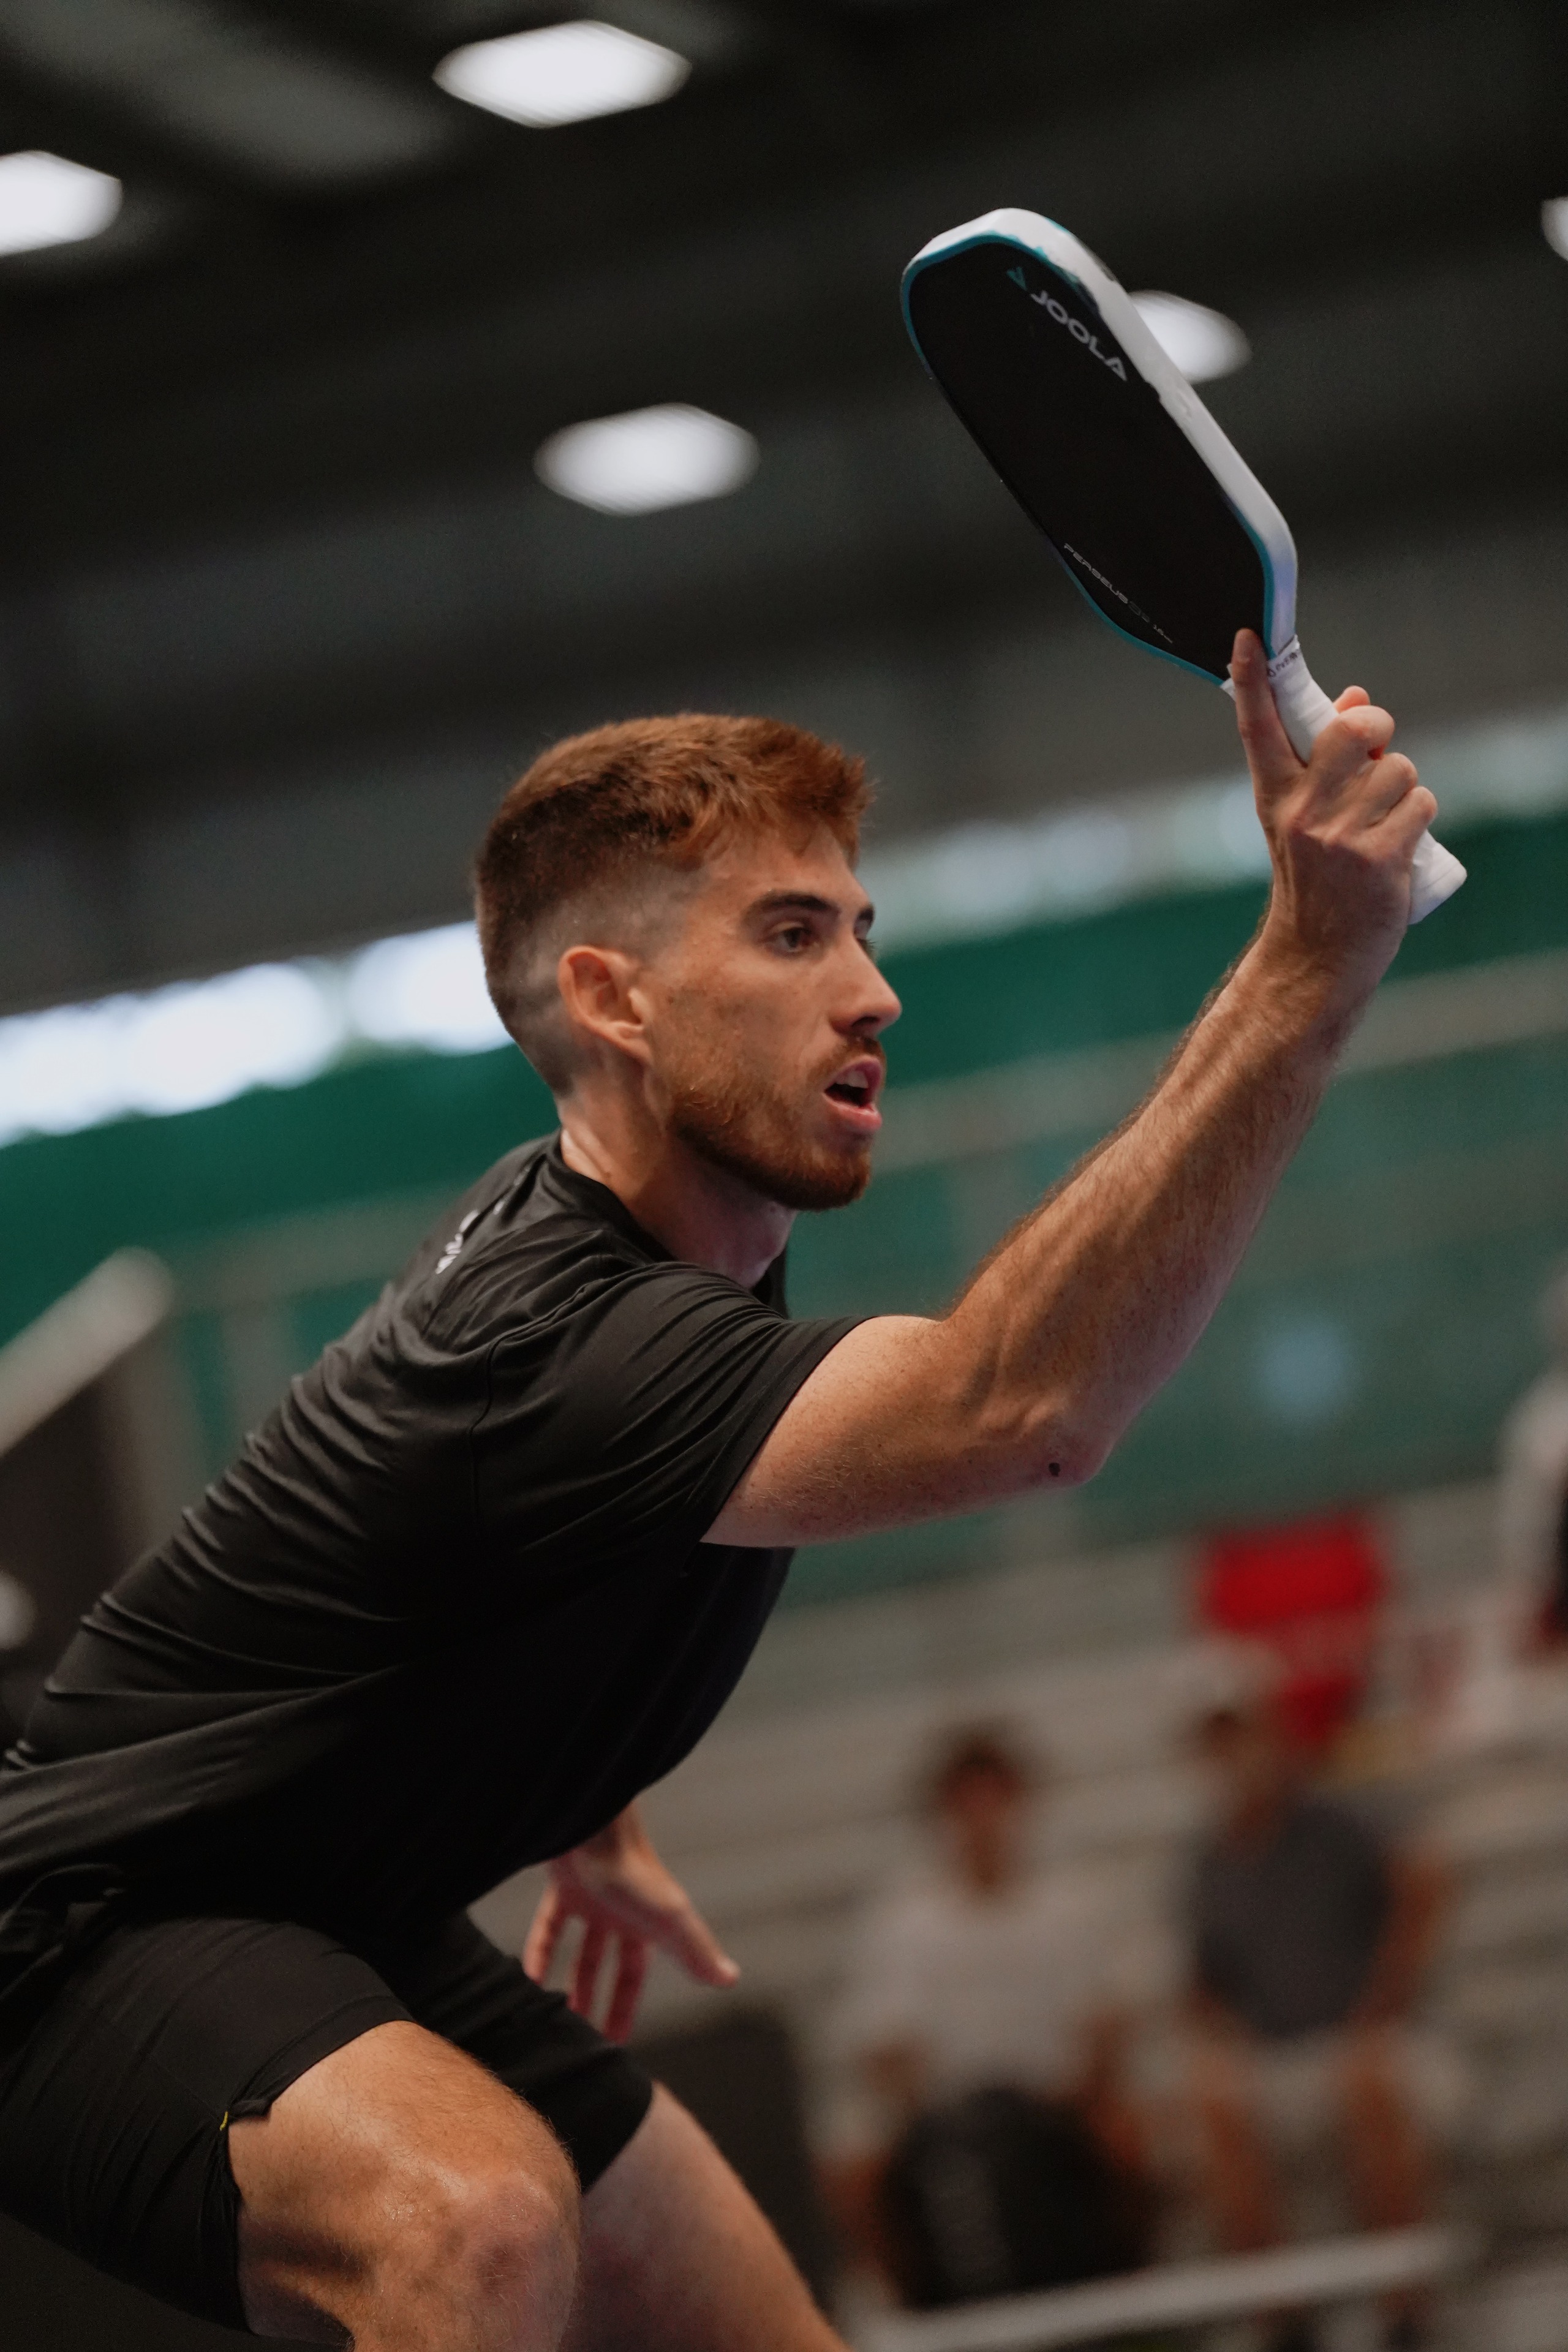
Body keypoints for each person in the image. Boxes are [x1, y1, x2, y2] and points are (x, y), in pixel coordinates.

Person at [0, 631, 1435, 2351]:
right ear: (614, 1001)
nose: (872, 990)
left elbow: (463, 1554)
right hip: (84, 1927)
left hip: (337, 1906)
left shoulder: (649, 1237)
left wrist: (580, 1793)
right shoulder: (559, 1336)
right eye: (792, 933)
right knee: (469, 2221)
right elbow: (1022, 1407)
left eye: (860, 928)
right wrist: (1305, 963)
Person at [831, 1728, 1153, 2306]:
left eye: (995, 1799)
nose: (982, 1819)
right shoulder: (904, 1924)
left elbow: (1108, 2022)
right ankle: (924, 2312)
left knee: (1131, 2144)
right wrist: (931, 2117)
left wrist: (1075, 2097)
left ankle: (1130, 2297)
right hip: (948, 2120)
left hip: (1062, 2108)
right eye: (965, 1803)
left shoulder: (1076, 1904)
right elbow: (885, 2048)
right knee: (855, 2177)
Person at [1186, 1701, 1453, 2350]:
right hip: (1276, 2057)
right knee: (1213, 2100)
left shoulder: (1341, 1821)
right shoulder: (1206, 1860)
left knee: (1365, 2082)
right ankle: (1282, 2317)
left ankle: (1404, 2308)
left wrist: (1385, 2001)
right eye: (1217, 1746)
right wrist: (1218, 2046)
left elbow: (1427, 1880)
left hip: (1376, 2041)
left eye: (1240, 1739)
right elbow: (1202, 1987)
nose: (1234, 1761)